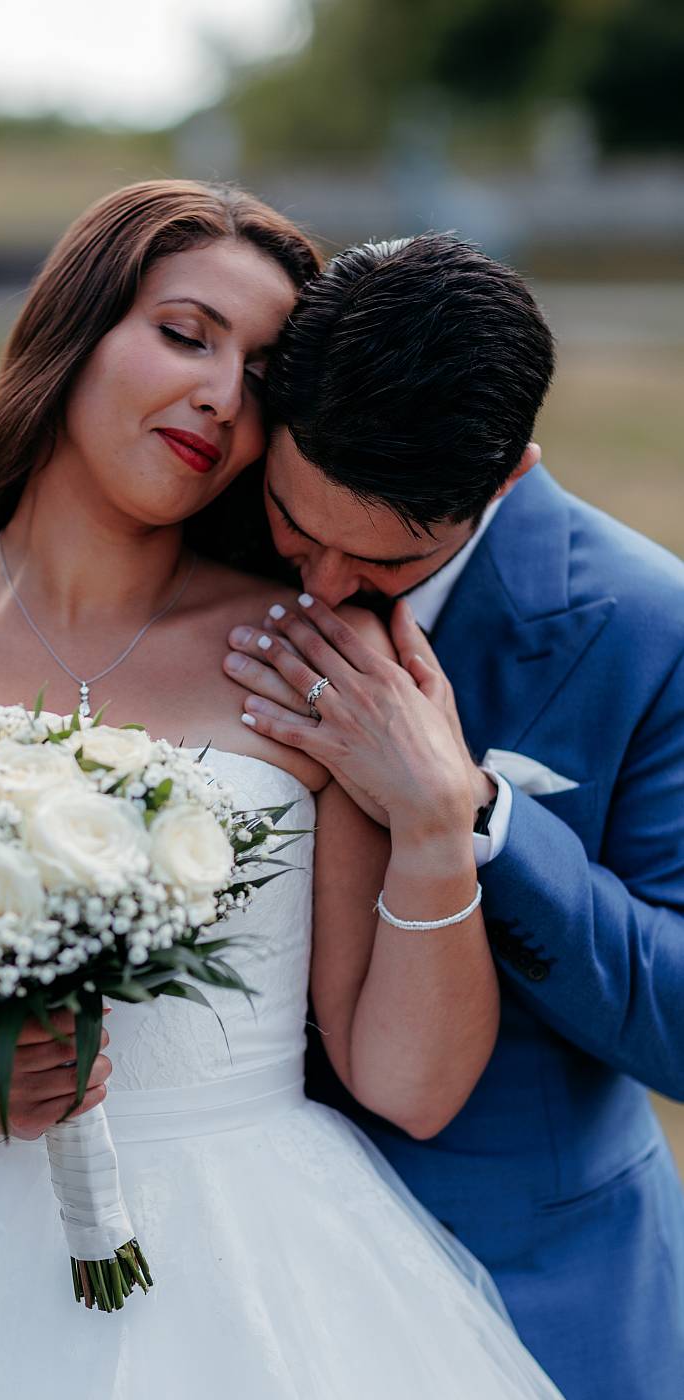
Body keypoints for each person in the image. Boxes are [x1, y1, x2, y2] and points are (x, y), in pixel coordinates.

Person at [0, 183, 561, 1398]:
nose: (221, 393)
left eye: (259, 372)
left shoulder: (310, 651)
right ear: (76, 329)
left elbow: (409, 1080)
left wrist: (437, 825)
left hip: (253, 1273)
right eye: (186, 334)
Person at [221, 233, 684, 1400]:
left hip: (532, 1281)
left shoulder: (644, 625)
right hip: (223, 1272)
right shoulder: (198, 538)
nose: (319, 584)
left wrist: (476, 814)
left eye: (381, 558)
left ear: (506, 478)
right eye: (294, 522)